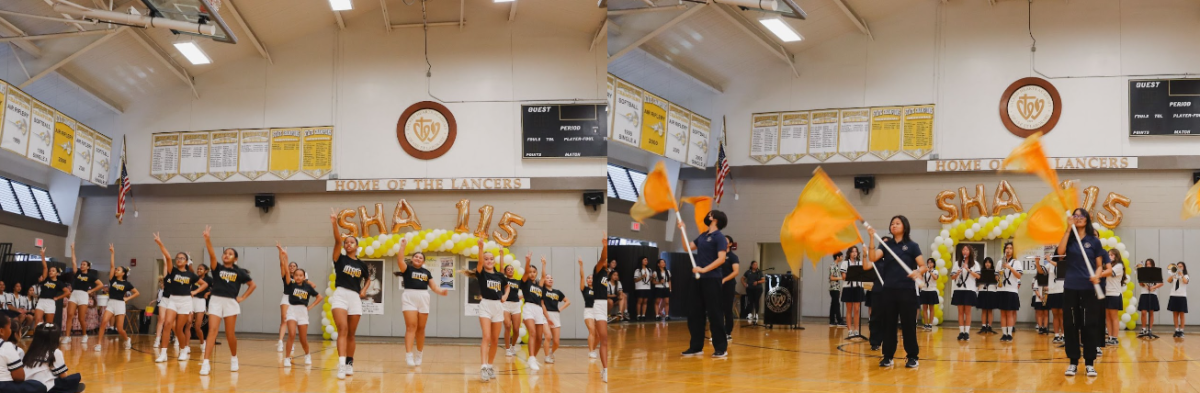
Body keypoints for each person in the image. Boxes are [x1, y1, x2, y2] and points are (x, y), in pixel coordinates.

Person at [864, 216, 926, 369]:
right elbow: (872, 258)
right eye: (892, 223)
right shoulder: (886, 245)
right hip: (889, 291)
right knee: (889, 325)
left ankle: (912, 357)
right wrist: (871, 238)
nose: (894, 226)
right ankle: (888, 356)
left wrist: (917, 272)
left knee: (908, 325)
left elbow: (923, 266)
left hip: (907, 291)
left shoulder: (912, 246)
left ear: (905, 226)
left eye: (897, 223)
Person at [1057, 208, 1111, 378]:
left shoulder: (1094, 241)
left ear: (1087, 220)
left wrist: (1097, 274)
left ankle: (1089, 363)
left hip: (1089, 288)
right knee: (1071, 324)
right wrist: (1067, 229)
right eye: (1076, 215)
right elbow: (1060, 253)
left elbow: (1100, 264)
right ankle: (1073, 362)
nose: (1078, 218)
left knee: (1090, 325)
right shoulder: (1070, 238)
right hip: (1071, 286)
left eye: (1082, 216)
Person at [199, 227, 256, 375]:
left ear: (235, 258)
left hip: (231, 303)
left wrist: (242, 297)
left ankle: (234, 358)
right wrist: (207, 239)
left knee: (230, 334)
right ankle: (205, 363)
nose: (226, 255)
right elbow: (212, 255)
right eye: (225, 253)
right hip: (216, 301)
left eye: (230, 254)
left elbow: (252, 285)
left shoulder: (239, 272)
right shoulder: (217, 268)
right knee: (212, 331)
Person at [677, 210, 729, 358]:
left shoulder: (719, 238)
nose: (708, 216)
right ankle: (695, 347)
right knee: (694, 313)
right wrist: (683, 230)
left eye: (710, 214)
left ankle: (720, 348)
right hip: (697, 279)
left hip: (712, 279)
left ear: (716, 220)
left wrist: (704, 269)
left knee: (715, 313)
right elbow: (688, 247)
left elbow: (721, 259)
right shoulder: (702, 236)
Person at [458, 237, 510, 382]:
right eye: (486, 259)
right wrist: (481, 248)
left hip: (498, 307)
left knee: (494, 340)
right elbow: (480, 263)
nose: (488, 261)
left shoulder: (500, 275)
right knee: (486, 337)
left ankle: (490, 366)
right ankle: (483, 367)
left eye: (490, 259)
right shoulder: (482, 273)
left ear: (494, 261)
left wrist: (505, 296)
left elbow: (507, 286)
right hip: (485, 305)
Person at [328, 210, 370, 380]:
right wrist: (333, 223)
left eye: (352, 242)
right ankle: (341, 365)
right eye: (347, 243)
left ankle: (349, 363)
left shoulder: (361, 265)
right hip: (340, 294)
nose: (348, 244)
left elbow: (368, 279)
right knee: (342, 330)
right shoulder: (340, 259)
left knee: (352, 333)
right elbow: (338, 240)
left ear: (357, 246)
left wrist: (364, 289)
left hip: (354, 298)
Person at [395, 238, 449, 367]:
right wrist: (402, 246)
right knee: (411, 327)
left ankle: (419, 354)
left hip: (424, 297)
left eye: (420, 257)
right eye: (416, 257)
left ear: (423, 261)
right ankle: (409, 356)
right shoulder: (406, 269)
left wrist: (441, 292)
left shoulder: (426, 272)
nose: (418, 259)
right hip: (409, 296)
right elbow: (400, 260)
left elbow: (434, 287)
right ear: (412, 259)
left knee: (421, 329)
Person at [278, 244, 324, 368]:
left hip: (303, 312)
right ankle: (287, 358)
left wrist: (310, 307)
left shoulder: (308, 287)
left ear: (304, 277)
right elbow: (286, 270)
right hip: (292, 311)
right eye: (296, 275)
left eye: (300, 275)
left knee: (303, 339)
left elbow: (320, 297)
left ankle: (307, 354)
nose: (298, 277)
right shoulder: (290, 284)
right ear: (293, 276)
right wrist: (285, 256)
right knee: (292, 334)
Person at [96, 244, 138, 352]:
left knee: (120, 329)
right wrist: (112, 253)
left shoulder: (127, 284)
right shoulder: (112, 280)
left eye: (118, 270)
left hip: (120, 304)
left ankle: (127, 339)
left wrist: (127, 299)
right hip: (111, 303)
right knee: (104, 322)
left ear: (123, 273)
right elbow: (111, 266)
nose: (116, 271)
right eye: (116, 270)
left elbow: (137, 293)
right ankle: (99, 344)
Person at [63, 244, 102, 345]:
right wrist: (72, 249)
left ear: (88, 267)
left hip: (83, 295)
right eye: (82, 264)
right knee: (70, 315)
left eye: (84, 264)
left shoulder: (91, 276)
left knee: (81, 318)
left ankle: (84, 334)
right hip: (74, 294)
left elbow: (100, 285)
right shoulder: (77, 273)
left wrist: (90, 291)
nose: (82, 265)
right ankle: (67, 336)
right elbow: (73, 261)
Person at [0, 313, 43, 393]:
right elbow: (19, 377)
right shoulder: (7, 346)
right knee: (39, 386)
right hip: (4, 386)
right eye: (9, 328)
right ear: (1, 331)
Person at [519, 255, 547, 371]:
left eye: (534, 272)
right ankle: (531, 358)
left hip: (538, 309)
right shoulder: (525, 282)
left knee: (539, 338)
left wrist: (543, 264)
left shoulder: (539, 284)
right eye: (530, 272)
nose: (531, 273)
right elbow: (526, 272)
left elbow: (544, 277)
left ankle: (533, 358)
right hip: (528, 308)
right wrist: (528, 261)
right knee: (532, 332)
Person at [590, 234, 611, 383]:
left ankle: (605, 368)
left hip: (606, 304)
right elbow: (603, 259)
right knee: (604, 337)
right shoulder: (597, 271)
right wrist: (605, 245)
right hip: (598, 305)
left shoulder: (609, 275)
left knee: (605, 340)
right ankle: (605, 370)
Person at [949, 244, 981, 341]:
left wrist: (968, 270)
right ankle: (961, 332)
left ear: (970, 252)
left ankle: (967, 332)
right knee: (960, 312)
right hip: (959, 289)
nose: (965, 252)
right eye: (963, 250)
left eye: (967, 250)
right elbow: (952, 277)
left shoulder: (975, 263)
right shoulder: (957, 263)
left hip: (969, 289)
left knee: (967, 312)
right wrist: (957, 273)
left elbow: (978, 276)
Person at [34, 248, 69, 328]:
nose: (50, 272)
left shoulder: (59, 283)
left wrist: (58, 297)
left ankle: (48, 339)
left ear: (57, 273)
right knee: (38, 320)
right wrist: (42, 255)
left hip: (50, 302)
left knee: (49, 324)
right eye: (50, 271)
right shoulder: (46, 279)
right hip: (41, 301)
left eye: (53, 271)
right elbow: (45, 267)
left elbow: (67, 292)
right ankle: (35, 338)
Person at [540, 274, 569, 364]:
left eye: (551, 278)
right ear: (544, 281)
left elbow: (568, 301)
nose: (550, 279)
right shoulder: (542, 291)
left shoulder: (557, 292)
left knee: (556, 342)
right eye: (547, 278)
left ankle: (551, 353)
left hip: (555, 315)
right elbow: (542, 304)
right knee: (548, 336)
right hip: (545, 315)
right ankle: (546, 357)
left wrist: (559, 309)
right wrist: (547, 317)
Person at [996, 243, 1022, 342]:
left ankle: (1009, 334)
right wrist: (999, 278)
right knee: (1002, 313)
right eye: (1007, 248)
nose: (1008, 250)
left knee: (1010, 313)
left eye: (1011, 248)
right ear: (1004, 250)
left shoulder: (1016, 262)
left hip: (1012, 290)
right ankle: (1004, 334)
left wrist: (1009, 267)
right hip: (1001, 289)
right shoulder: (1000, 262)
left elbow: (1019, 276)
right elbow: (996, 275)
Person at [1102, 249, 1126, 346]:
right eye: (1108, 255)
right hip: (1106, 293)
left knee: (1114, 316)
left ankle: (1115, 338)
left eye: (1112, 255)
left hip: (1114, 294)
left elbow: (1108, 273)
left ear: (1116, 256)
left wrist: (1098, 272)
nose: (1110, 256)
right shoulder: (1107, 266)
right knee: (1107, 317)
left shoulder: (1119, 266)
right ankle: (1110, 336)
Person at [840, 246, 865, 338]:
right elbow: (843, 276)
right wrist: (850, 275)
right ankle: (849, 330)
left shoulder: (860, 263)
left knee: (857, 309)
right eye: (852, 251)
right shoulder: (845, 263)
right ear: (849, 253)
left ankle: (856, 329)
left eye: (856, 251)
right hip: (848, 287)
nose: (854, 253)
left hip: (858, 287)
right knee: (849, 309)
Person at [187, 264, 211, 354]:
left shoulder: (209, 279)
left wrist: (208, 293)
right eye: (198, 269)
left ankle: (202, 342)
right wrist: (189, 261)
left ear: (206, 271)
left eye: (201, 269)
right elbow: (190, 269)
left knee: (197, 326)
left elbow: (217, 287)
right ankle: (186, 346)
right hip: (191, 300)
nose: (199, 270)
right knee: (188, 323)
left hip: (201, 301)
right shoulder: (194, 277)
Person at [276, 259, 299, 353]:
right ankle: (280, 342)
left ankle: (291, 342)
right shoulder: (285, 276)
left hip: (296, 299)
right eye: (290, 266)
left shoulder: (299, 277)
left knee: (292, 322)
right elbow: (282, 264)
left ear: (297, 268)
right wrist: (281, 254)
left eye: (294, 266)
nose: (292, 267)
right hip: (286, 298)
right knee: (284, 319)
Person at [721, 235, 741, 341]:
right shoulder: (718, 255)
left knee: (727, 309)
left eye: (725, 240)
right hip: (717, 285)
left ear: (730, 244)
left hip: (728, 285)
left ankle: (727, 332)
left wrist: (724, 279)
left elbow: (736, 272)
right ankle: (718, 332)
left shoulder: (733, 257)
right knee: (717, 310)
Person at [579, 259, 599, 359]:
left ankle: (593, 350)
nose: (590, 279)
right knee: (592, 330)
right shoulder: (585, 289)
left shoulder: (598, 289)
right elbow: (582, 276)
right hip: (589, 311)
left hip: (598, 311)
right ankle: (591, 351)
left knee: (598, 334)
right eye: (588, 278)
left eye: (592, 278)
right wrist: (581, 266)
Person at [502, 264, 523, 357]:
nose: (510, 270)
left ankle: (513, 346)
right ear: (505, 271)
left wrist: (520, 297)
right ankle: (507, 349)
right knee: (507, 326)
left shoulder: (518, 282)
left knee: (516, 329)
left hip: (516, 305)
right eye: (508, 269)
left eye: (512, 269)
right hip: (505, 305)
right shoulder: (503, 280)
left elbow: (527, 291)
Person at [1045, 250, 1066, 343]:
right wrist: (1037, 262)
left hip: (1063, 291)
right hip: (1053, 291)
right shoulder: (1050, 264)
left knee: (1062, 314)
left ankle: (1064, 335)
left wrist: (1049, 260)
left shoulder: (1067, 262)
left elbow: (1060, 266)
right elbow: (1041, 271)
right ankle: (1057, 335)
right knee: (1055, 314)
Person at [1137, 259, 1162, 336]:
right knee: (1143, 312)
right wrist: (1143, 283)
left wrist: (1153, 287)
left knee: (1151, 312)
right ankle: (1143, 329)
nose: (1148, 265)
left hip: (1153, 294)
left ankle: (1150, 329)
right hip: (1144, 293)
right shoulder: (1143, 272)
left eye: (1149, 264)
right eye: (1147, 264)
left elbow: (1161, 283)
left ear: (1152, 265)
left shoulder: (1156, 272)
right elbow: (1140, 283)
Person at [1167, 262, 1189, 338]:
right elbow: (1168, 280)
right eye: (1178, 266)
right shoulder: (1174, 275)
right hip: (1174, 295)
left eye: (1181, 266)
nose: (1179, 267)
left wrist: (1181, 275)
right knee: (1175, 314)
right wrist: (1173, 274)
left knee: (1182, 314)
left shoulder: (1186, 276)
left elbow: (1186, 281)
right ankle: (1176, 330)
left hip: (1182, 296)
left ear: (1183, 267)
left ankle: (1181, 331)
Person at [977, 257, 998, 335]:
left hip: (992, 291)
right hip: (983, 290)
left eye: (989, 262)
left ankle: (989, 326)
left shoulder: (994, 273)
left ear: (991, 264)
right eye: (986, 262)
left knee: (990, 310)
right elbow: (978, 281)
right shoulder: (981, 272)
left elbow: (997, 282)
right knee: (983, 310)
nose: (987, 264)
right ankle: (983, 326)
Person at [1032, 256, 1050, 334]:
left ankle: (1045, 327)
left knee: (1046, 313)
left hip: (1046, 298)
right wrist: (1039, 296)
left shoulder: (1049, 279)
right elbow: (1035, 289)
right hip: (1039, 298)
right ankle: (1040, 327)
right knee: (1039, 313)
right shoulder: (1037, 279)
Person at [919, 259, 939, 330]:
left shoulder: (935, 271)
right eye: (928, 262)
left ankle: (930, 324)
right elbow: (920, 278)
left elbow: (935, 278)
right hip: (924, 290)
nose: (929, 264)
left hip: (932, 290)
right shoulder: (924, 271)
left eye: (931, 262)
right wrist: (923, 271)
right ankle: (926, 323)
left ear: (933, 264)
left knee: (931, 308)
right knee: (924, 308)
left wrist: (930, 271)